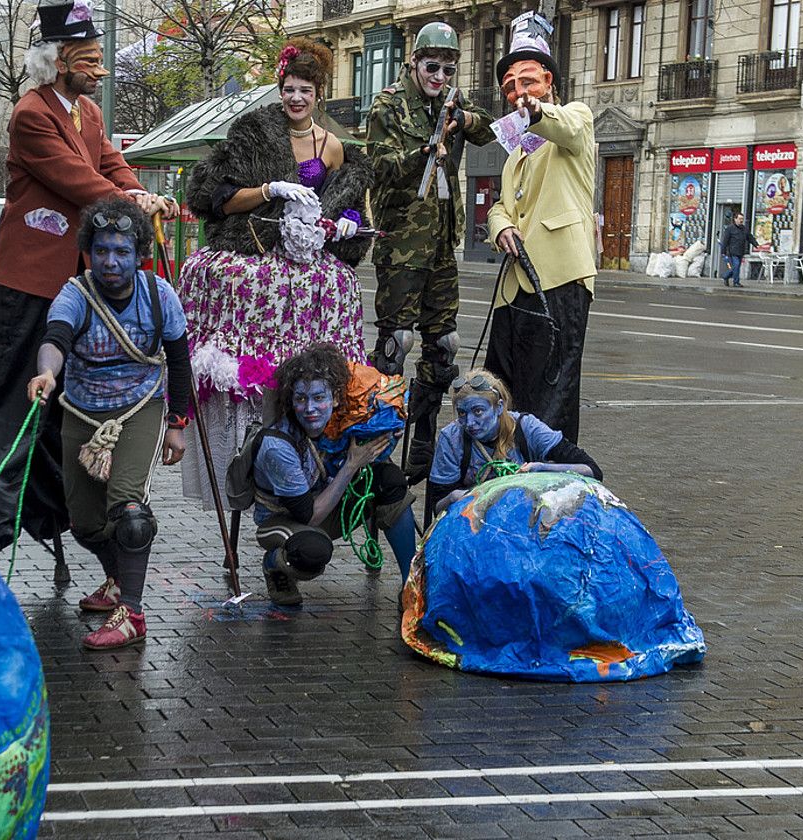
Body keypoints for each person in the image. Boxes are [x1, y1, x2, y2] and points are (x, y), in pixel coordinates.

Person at [0, 0, 174, 559]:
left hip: (74, 286)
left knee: (67, 407)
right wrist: (130, 198)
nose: (99, 69)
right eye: (90, 58)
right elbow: (80, 180)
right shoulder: (31, 113)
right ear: (58, 60)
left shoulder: (89, 114)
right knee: (5, 402)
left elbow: (109, 164)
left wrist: (137, 190)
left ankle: (66, 518)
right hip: (27, 283)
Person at [178, 37, 375, 511]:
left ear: (318, 94)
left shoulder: (333, 146)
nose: (295, 98)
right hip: (259, 247)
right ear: (279, 88)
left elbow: (350, 205)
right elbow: (216, 195)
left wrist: (344, 217)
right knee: (232, 282)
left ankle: (314, 437)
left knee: (337, 289)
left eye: (305, 90)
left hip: (308, 259)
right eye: (288, 88)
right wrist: (268, 188)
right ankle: (254, 445)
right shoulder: (253, 132)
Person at [26, 198, 192, 649]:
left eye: (121, 251)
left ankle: (132, 614)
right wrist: (47, 372)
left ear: (139, 253)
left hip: (140, 408)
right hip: (81, 410)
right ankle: (117, 580)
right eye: (101, 251)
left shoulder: (160, 295)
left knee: (130, 515)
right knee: (84, 524)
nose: (111, 261)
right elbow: (56, 338)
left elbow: (179, 361)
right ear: (89, 252)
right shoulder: (75, 294)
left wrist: (177, 422)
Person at [366, 22, 496, 482]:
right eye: (431, 66)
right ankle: (378, 441)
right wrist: (424, 151)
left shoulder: (450, 102)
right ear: (414, 63)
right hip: (402, 241)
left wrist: (460, 120)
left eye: (447, 68)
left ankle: (423, 433)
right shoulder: (389, 104)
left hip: (441, 239)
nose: (439, 76)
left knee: (444, 344)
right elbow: (378, 165)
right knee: (394, 343)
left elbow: (488, 129)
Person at [486, 11, 597, 444]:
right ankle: (505, 472)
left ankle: (547, 476)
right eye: (511, 85)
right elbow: (501, 206)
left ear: (548, 81)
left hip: (559, 278)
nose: (518, 91)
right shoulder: (516, 154)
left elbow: (565, 125)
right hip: (513, 288)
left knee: (551, 396)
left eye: (528, 80)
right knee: (503, 392)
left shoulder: (575, 119)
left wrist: (537, 111)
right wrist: (500, 228)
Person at [250, 344, 418, 606]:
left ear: (336, 398)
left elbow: (379, 425)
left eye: (319, 398)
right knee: (311, 553)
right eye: (301, 399)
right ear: (291, 401)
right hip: (284, 520)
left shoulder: (341, 419)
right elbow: (309, 515)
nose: (310, 408)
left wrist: (388, 429)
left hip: (327, 504)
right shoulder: (278, 446)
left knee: (390, 480)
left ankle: (412, 584)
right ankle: (274, 564)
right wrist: (351, 465)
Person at [425, 368, 601, 516]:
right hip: (473, 520)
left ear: (499, 407)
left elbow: (592, 471)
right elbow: (437, 507)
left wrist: (540, 469)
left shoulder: (527, 428)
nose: (470, 423)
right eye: (462, 413)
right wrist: (455, 497)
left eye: (478, 411)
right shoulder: (452, 438)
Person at [719, 212, 758, 287]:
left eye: (742, 219)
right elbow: (725, 240)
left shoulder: (744, 229)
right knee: (736, 266)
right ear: (735, 219)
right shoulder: (730, 228)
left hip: (741, 251)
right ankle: (736, 282)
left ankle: (726, 276)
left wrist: (756, 245)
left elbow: (750, 237)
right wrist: (723, 251)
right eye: (740, 219)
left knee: (735, 267)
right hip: (732, 252)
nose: (741, 220)